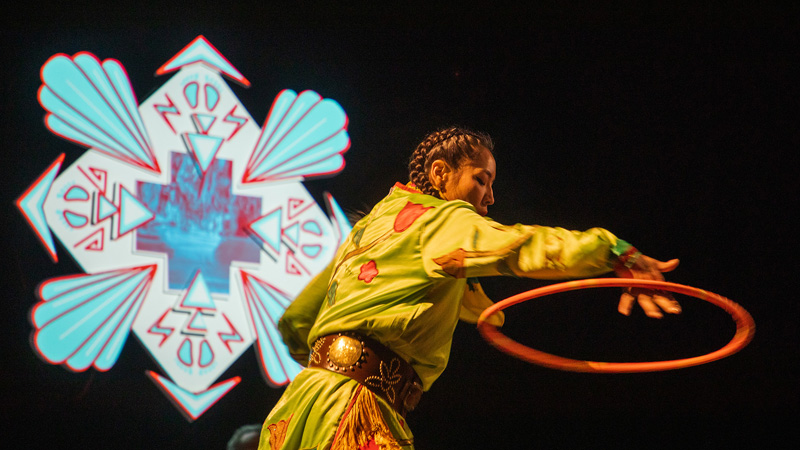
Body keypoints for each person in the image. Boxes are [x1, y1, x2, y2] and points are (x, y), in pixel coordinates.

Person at [257, 127, 681, 450]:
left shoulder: (368, 229)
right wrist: (616, 252)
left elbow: (296, 321)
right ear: (440, 173)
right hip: (354, 413)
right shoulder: (442, 219)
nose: (489, 196)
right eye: (481, 179)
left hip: (296, 411)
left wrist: (336, 363)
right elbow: (524, 247)